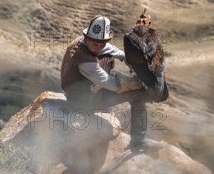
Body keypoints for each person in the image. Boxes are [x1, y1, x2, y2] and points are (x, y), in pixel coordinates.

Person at [60, 15, 158, 151]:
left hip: (91, 91)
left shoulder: (92, 43)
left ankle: (136, 138)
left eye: (102, 44)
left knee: (110, 60)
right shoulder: (83, 60)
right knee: (138, 95)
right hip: (82, 102)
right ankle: (139, 141)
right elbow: (111, 84)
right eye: (95, 44)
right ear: (86, 38)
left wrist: (133, 64)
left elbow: (117, 53)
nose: (98, 47)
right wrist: (138, 83)